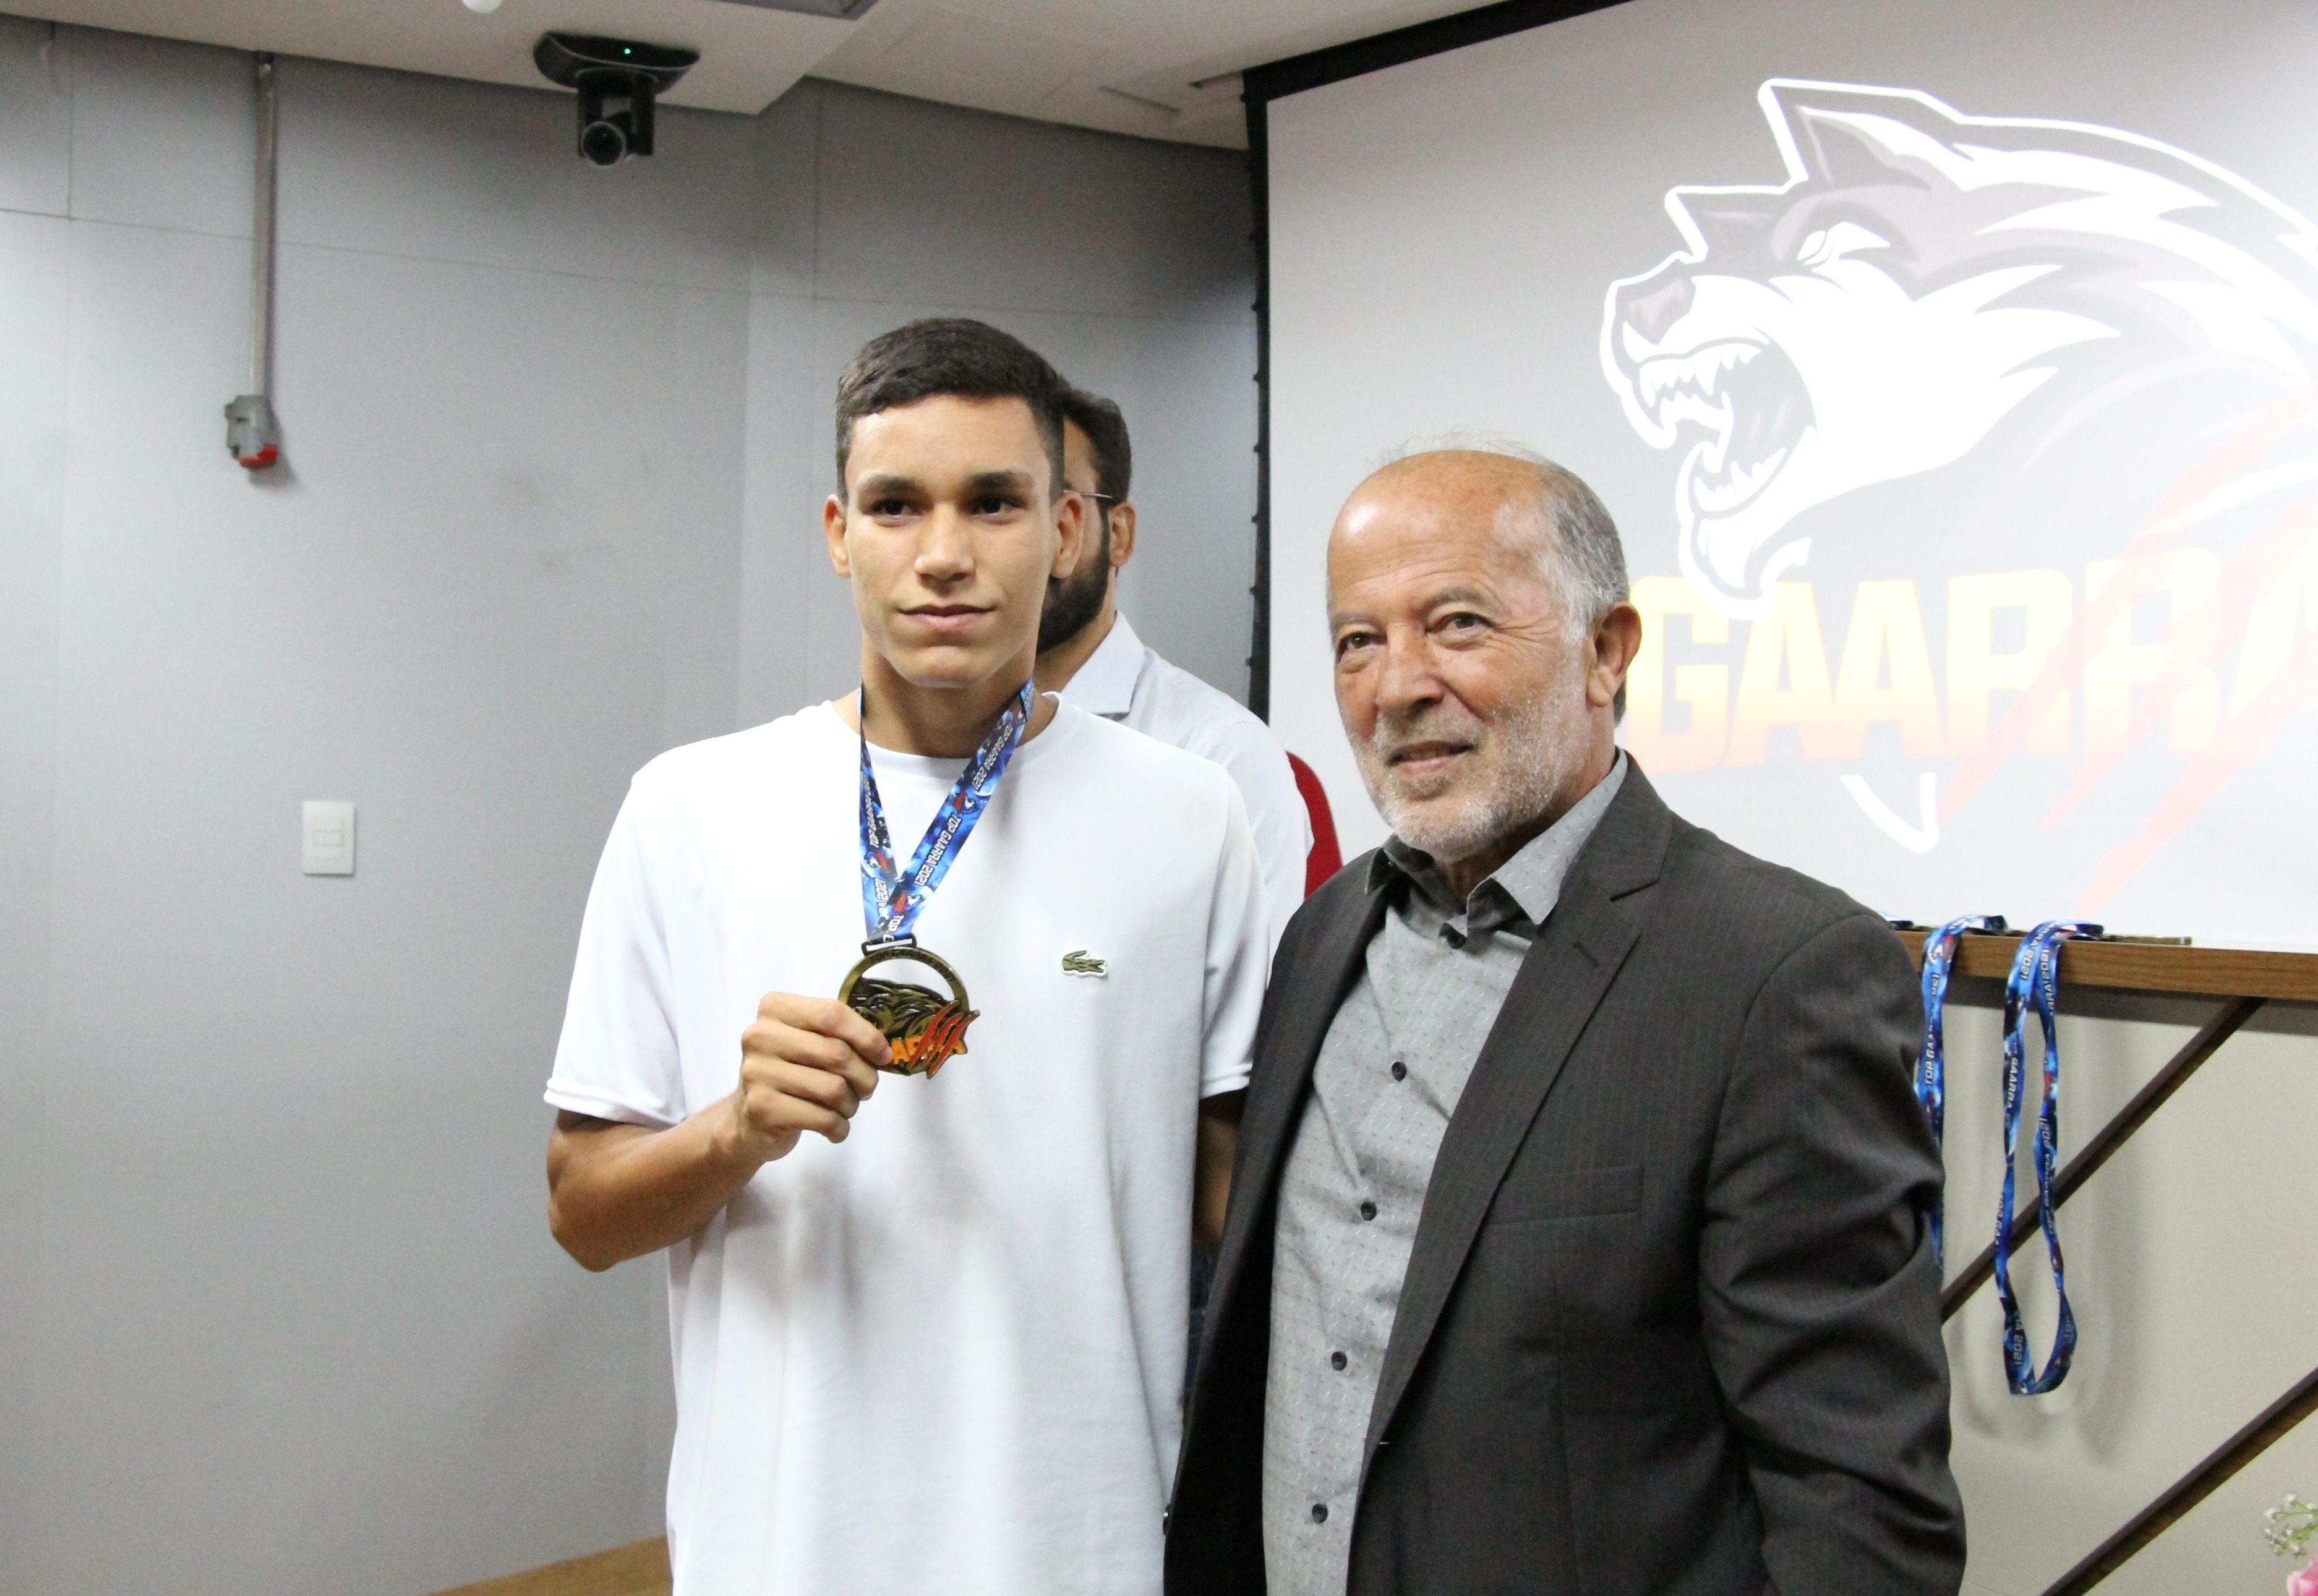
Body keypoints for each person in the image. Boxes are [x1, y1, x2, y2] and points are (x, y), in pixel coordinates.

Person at [543, 318, 1269, 1596]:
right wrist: (735, 1131)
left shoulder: (1189, 813)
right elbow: (584, 1214)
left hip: (1080, 1547)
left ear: (1069, 530)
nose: (943, 553)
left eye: (993, 502)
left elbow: (1242, 1205)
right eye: (895, 505)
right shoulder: (690, 808)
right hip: (782, 1552)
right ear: (839, 533)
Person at [1165, 444, 1965, 1596]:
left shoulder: (1775, 976)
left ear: (1607, 651)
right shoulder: (1322, 937)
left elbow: (1858, 1505)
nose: (1397, 686)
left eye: (1458, 624)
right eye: (1357, 641)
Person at [1033, 386, 1312, 944]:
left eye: (1058, 506)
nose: (1032, 537)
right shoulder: (934, 738)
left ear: (1118, 534)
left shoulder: (1219, 756)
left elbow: (1258, 995)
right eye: (997, 506)